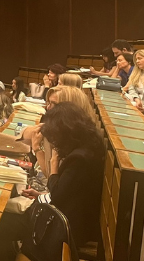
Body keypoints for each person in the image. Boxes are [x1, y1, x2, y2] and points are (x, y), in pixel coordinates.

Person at [22, 102, 105, 247]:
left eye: (55, 137)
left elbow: (58, 197)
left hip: (69, 230)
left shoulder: (79, 159)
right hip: (75, 219)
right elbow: (69, 192)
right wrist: (40, 195)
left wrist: (54, 165)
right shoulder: (90, 146)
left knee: (12, 220)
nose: (54, 143)